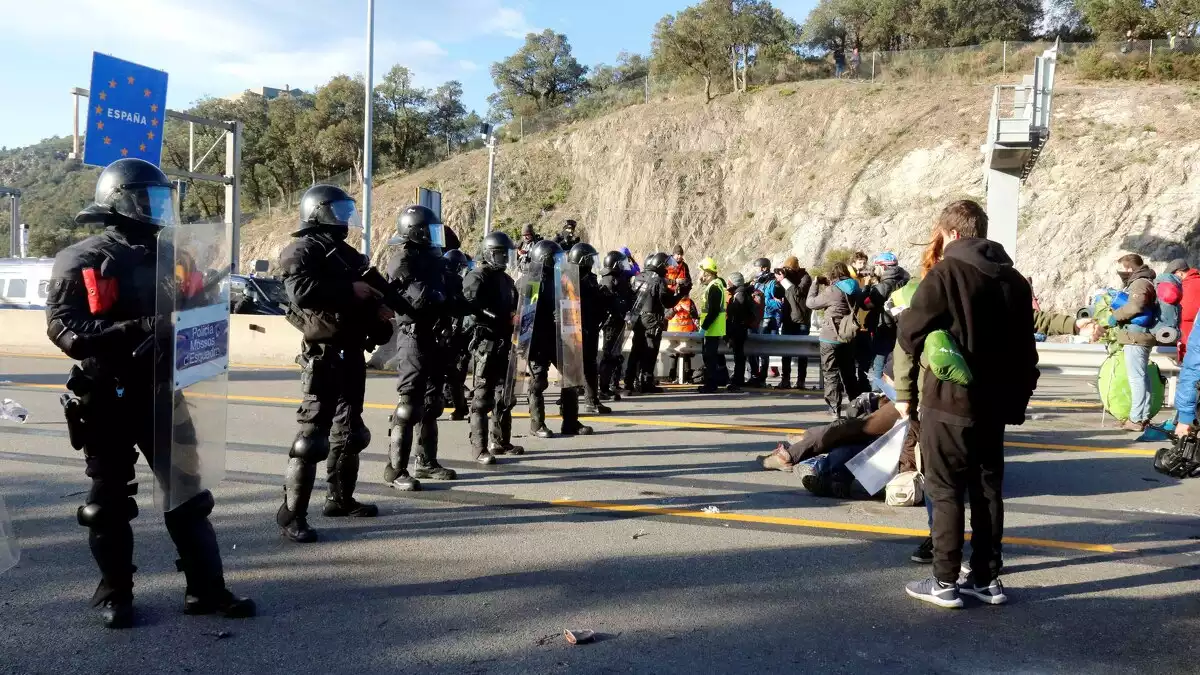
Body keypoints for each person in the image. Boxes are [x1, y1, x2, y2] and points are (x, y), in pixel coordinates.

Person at [46, 158, 254, 628]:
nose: (158, 208)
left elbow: (198, 307)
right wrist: (141, 327)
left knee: (189, 494)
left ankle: (205, 589)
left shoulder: (176, 256)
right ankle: (116, 594)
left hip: (163, 391)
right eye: (148, 198)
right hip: (106, 395)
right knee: (108, 503)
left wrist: (206, 308)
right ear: (119, 201)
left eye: (162, 199)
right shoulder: (80, 258)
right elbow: (67, 332)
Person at [897, 199, 1037, 609]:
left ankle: (944, 582)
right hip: (995, 407)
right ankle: (987, 579)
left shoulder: (946, 273)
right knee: (988, 492)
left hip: (950, 403)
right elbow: (1027, 351)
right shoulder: (1015, 281)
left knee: (945, 492)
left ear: (953, 233)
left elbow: (910, 332)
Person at [275, 184, 395, 543]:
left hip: (352, 352)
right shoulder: (302, 250)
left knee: (351, 432)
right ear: (318, 212)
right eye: (338, 211)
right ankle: (291, 516)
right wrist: (350, 291)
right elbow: (300, 292)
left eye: (347, 211)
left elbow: (365, 291)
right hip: (324, 355)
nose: (345, 218)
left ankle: (339, 500)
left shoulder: (346, 254)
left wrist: (378, 308)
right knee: (311, 439)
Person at [383, 205, 454, 492]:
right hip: (413, 334)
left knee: (432, 403)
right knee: (408, 404)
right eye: (429, 231)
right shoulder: (401, 259)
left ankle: (426, 461)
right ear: (416, 232)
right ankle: (396, 469)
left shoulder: (433, 258)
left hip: (435, 333)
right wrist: (441, 296)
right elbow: (419, 298)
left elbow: (449, 292)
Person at [463, 231, 523, 464]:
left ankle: (500, 441)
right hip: (485, 345)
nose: (505, 259)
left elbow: (515, 306)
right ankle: (479, 447)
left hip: (506, 344)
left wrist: (517, 316)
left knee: (505, 395)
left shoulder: (507, 280)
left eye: (507, 254)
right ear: (488, 254)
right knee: (481, 398)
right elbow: (471, 310)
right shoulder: (476, 277)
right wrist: (500, 318)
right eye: (500, 254)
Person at [525, 240, 594, 437]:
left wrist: (567, 317)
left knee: (571, 379)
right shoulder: (531, 281)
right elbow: (526, 315)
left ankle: (570, 422)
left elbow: (572, 305)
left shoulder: (563, 280)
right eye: (554, 259)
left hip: (560, 338)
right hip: (539, 340)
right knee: (538, 382)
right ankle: (537, 424)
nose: (558, 262)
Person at [807, 262, 863, 417]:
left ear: (833, 274)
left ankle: (834, 409)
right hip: (849, 336)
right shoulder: (856, 288)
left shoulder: (832, 290)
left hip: (830, 337)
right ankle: (855, 407)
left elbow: (811, 303)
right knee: (849, 373)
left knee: (831, 373)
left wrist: (815, 284)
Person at [1109, 253, 1158, 432]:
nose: (1121, 271)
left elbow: (1135, 307)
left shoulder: (1140, 283)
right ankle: (1143, 416)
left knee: (1136, 378)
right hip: (1139, 336)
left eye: (1123, 267)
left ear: (1129, 268)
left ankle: (1136, 419)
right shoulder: (1144, 281)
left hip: (1136, 337)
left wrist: (1115, 316)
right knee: (1142, 377)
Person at [625, 252, 685, 394]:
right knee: (650, 351)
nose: (667, 268)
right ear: (660, 266)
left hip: (638, 318)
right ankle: (646, 382)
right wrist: (680, 293)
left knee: (636, 350)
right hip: (651, 320)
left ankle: (629, 382)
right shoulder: (657, 280)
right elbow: (667, 301)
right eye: (666, 266)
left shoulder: (639, 277)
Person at [571, 243, 612, 415]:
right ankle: (567, 405)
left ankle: (592, 400)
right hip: (576, 329)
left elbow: (594, 303)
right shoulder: (570, 279)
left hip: (591, 327)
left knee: (590, 365)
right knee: (572, 368)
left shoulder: (590, 278)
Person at [861, 252, 911, 385]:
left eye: (876, 266)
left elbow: (866, 304)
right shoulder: (905, 280)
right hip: (901, 326)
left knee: (879, 364)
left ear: (883, 267)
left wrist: (866, 286)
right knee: (896, 364)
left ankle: (877, 397)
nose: (874, 270)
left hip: (884, 328)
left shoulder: (885, 285)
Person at [442, 248, 474, 421]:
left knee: (454, 375)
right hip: (445, 334)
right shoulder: (444, 282)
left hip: (457, 335)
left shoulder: (460, 284)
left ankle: (460, 408)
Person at [598, 250, 634, 400]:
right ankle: (604, 388)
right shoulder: (608, 281)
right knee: (609, 355)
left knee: (614, 356)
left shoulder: (618, 279)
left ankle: (609, 385)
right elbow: (611, 303)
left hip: (618, 322)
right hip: (611, 323)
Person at [776, 257, 812, 390]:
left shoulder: (805, 277)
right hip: (787, 319)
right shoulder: (785, 279)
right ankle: (785, 380)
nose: (787, 271)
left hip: (802, 320)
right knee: (786, 353)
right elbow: (777, 293)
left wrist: (784, 281)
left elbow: (798, 293)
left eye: (789, 269)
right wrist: (778, 281)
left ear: (796, 268)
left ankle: (801, 381)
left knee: (802, 353)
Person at [697, 257, 728, 393]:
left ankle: (711, 384)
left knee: (710, 358)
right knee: (709, 357)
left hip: (712, 329)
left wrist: (704, 327)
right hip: (713, 329)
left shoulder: (715, 287)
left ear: (707, 273)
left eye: (701, 272)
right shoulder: (715, 285)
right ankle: (712, 382)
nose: (700, 276)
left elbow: (714, 311)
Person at [751, 257, 782, 387]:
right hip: (758, 318)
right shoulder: (758, 282)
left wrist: (762, 302)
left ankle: (762, 376)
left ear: (764, 268)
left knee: (762, 350)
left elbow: (778, 303)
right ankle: (755, 375)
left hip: (767, 318)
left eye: (758, 268)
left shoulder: (772, 283)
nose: (756, 270)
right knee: (755, 349)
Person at [725, 272, 755, 392]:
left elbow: (736, 314)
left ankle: (738, 380)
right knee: (739, 355)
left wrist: (730, 331)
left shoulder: (740, 295)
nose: (728, 283)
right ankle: (738, 378)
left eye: (729, 281)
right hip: (740, 328)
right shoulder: (741, 293)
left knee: (739, 355)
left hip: (738, 329)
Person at [666, 292, 700, 384]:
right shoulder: (672, 302)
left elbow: (695, 316)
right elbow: (666, 315)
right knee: (673, 355)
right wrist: (675, 310)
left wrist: (688, 310)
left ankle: (687, 377)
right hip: (673, 334)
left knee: (686, 355)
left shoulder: (690, 302)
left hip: (687, 333)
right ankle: (671, 377)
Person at [1180, 263, 1200, 360]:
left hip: (1189, 327)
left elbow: (1187, 312)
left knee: (1190, 359)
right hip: (1192, 326)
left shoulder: (1188, 284)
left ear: (1179, 273)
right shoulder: (1193, 282)